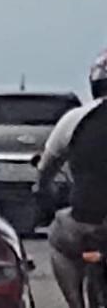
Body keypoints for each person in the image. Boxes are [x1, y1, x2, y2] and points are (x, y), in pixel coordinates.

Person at [36, 53, 107, 308]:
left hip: (87, 219)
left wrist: (42, 191)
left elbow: (46, 167)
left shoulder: (75, 118)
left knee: (58, 239)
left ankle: (76, 304)